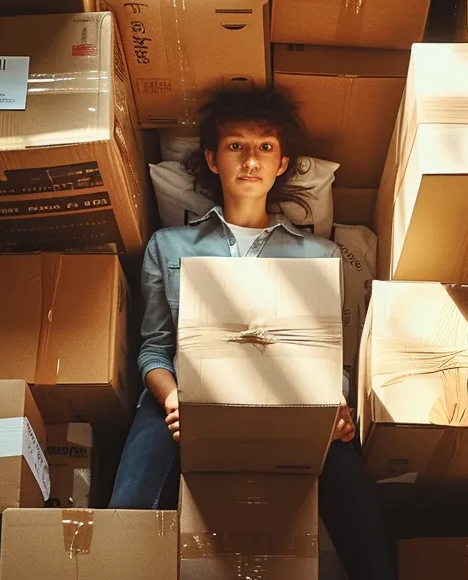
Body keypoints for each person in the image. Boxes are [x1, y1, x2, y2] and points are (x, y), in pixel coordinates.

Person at [108, 87, 396, 579]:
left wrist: (337, 409)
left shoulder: (318, 255)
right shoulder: (169, 245)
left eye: (265, 147)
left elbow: (333, 359)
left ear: (282, 164)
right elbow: (153, 349)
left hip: (291, 404)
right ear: (212, 160)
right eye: (235, 146)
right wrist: (173, 399)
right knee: (126, 509)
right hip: (186, 402)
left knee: (365, 527)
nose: (250, 159)